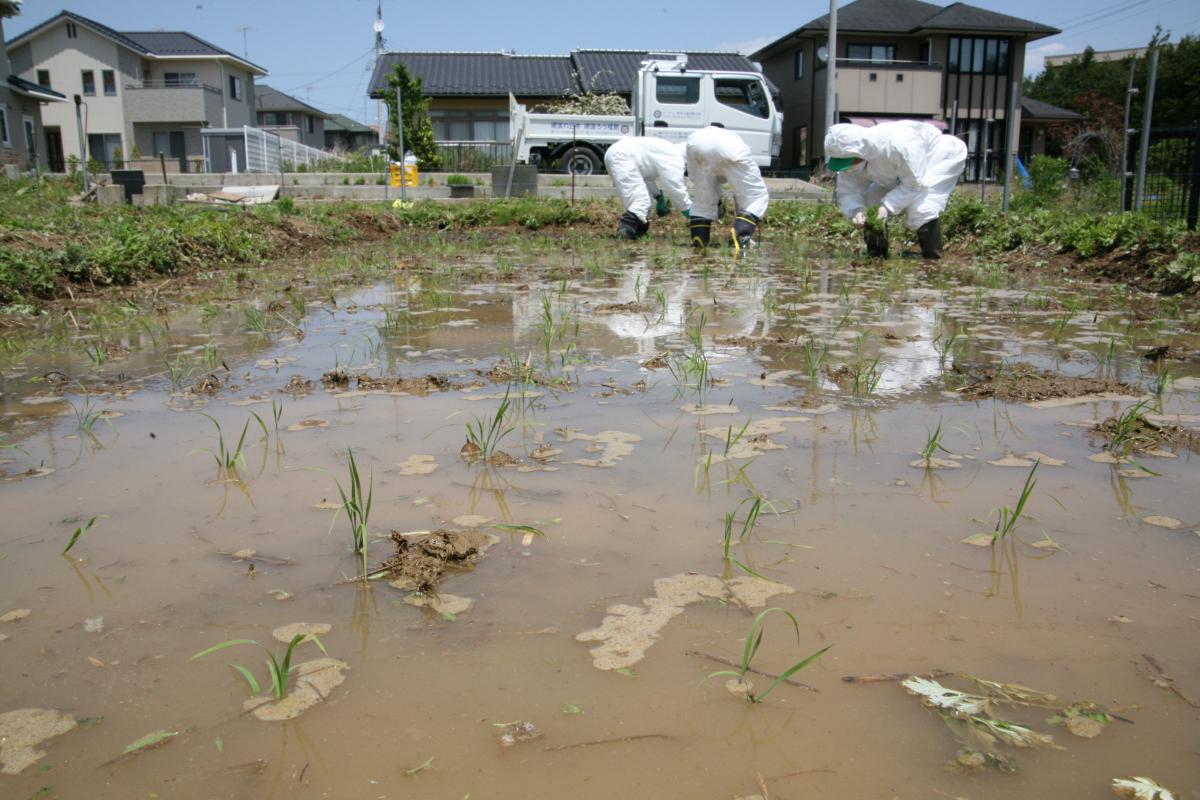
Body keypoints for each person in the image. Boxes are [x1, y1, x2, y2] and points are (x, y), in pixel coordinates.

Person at [824, 120, 968, 259]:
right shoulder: (848, 156)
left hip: (937, 158)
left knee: (922, 209)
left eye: (847, 162)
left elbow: (914, 185)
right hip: (899, 175)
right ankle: (877, 255)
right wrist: (856, 210)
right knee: (871, 206)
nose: (847, 168)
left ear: (861, 152)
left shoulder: (898, 145)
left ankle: (932, 260)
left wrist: (887, 206)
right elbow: (848, 191)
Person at [685, 126, 769, 252]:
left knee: (703, 199)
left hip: (695, 146)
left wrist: (716, 203)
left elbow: (703, 183)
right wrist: (744, 218)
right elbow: (741, 193)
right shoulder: (733, 139)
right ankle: (739, 235)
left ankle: (699, 239)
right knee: (757, 196)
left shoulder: (709, 136)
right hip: (729, 150)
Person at [603, 137, 691, 240]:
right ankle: (625, 235)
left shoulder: (666, 150)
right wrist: (688, 210)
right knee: (640, 201)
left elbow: (646, 177)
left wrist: (657, 195)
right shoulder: (674, 157)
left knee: (645, 201)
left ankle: (635, 233)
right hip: (622, 157)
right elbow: (675, 187)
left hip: (617, 154)